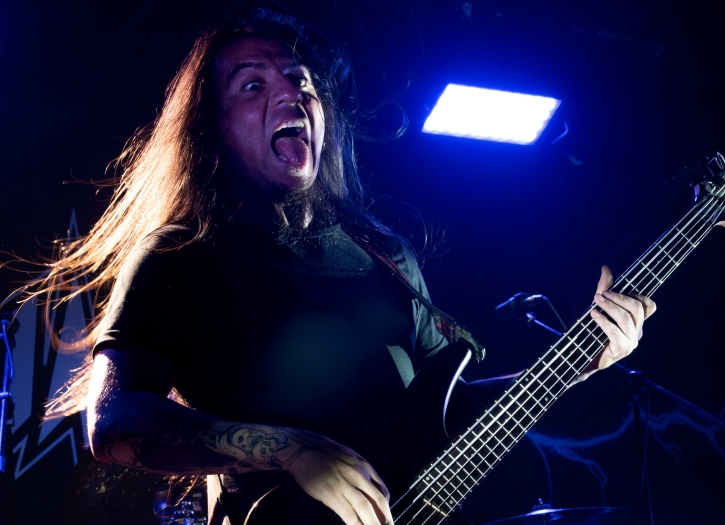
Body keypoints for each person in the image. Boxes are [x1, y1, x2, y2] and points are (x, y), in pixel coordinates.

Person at [32, 9, 655, 525]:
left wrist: (581, 359)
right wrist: (293, 449)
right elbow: (113, 423)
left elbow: (452, 410)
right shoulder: (184, 252)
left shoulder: (385, 253)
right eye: (252, 86)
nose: (291, 94)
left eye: (299, 79)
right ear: (212, 131)